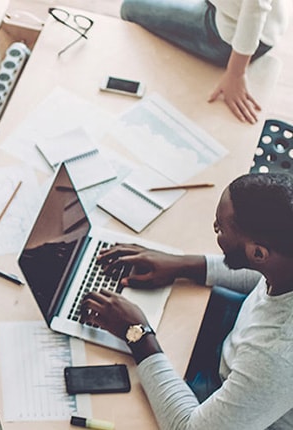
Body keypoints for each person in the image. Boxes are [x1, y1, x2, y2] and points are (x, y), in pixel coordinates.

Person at [81, 172, 293, 429]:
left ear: (258, 253)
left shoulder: (276, 356)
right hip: (240, 342)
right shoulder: (283, 258)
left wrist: (137, 334)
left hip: (230, 391)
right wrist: (181, 265)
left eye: (220, 227)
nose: (215, 229)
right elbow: (263, 271)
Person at [119, 0, 290, 124]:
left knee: (130, 8)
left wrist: (236, 72)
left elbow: (254, 11)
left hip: (232, 36)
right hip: (269, 23)